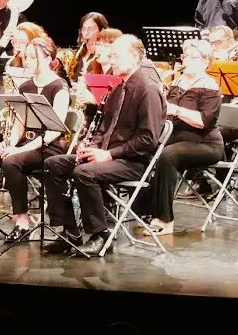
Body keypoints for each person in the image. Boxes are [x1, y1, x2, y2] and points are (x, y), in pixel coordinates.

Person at [41, 34, 165, 257]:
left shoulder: (148, 90)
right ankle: (69, 232)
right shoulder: (118, 88)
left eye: (116, 55)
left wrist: (108, 154)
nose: (111, 59)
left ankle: (100, 234)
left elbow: (148, 139)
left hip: (133, 161)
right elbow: (103, 128)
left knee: (84, 172)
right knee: (54, 163)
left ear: (134, 57)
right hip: (108, 155)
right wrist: (89, 146)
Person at [0, 36, 71, 245]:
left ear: (48, 57)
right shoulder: (25, 86)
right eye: (26, 57)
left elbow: (54, 130)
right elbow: (20, 124)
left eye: (33, 57)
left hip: (48, 148)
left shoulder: (59, 86)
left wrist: (16, 152)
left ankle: (22, 221)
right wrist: (12, 144)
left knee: (11, 161)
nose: (27, 61)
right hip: (26, 145)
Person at [137, 39, 224, 236]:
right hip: (176, 139)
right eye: (185, 56)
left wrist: (176, 110)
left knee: (167, 156)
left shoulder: (210, 86)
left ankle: (165, 220)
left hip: (204, 144)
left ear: (205, 61)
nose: (187, 61)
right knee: (141, 150)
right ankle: (143, 211)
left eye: (193, 57)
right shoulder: (175, 82)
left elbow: (203, 121)